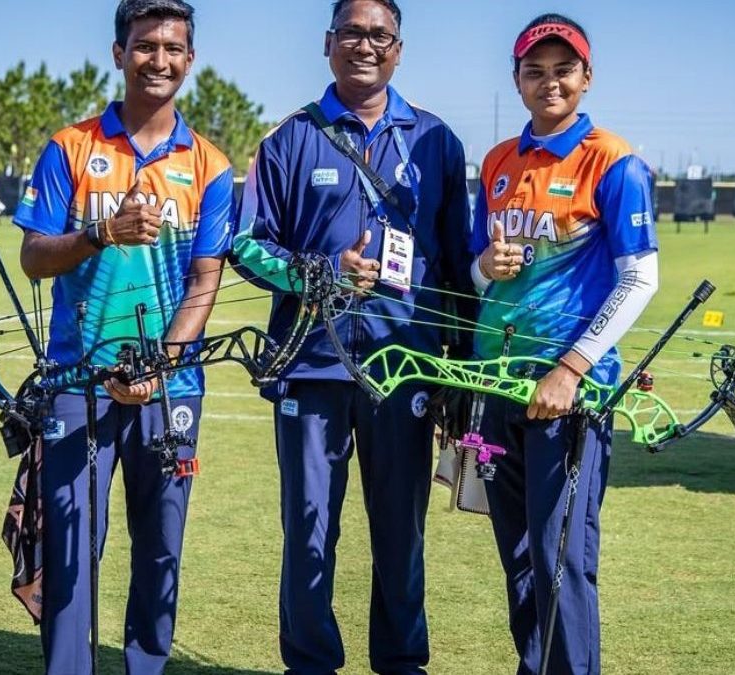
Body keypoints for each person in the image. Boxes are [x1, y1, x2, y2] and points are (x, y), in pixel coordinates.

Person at [232, 1, 472, 672]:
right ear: (327, 43)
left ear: (398, 49)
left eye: (379, 35)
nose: (364, 45)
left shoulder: (436, 141)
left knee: (402, 531)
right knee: (308, 529)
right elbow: (247, 247)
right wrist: (319, 272)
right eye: (351, 33)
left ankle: (401, 662)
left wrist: (460, 372)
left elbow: (458, 267)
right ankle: (310, 663)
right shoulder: (288, 140)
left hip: (406, 371)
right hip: (311, 369)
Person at [12, 1, 232, 673]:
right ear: (118, 53)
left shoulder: (210, 165)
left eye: (172, 48)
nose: (157, 59)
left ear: (189, 60)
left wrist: (159, 366)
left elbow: (205, 279)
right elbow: (33, 256)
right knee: (72, 544)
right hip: (77, 383)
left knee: (161, 548)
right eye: (143, 46)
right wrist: (100, 232)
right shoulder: (70, 147)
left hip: (170, 388)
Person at [469, 14, 659, 674]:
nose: (549, 82)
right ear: (517, 79)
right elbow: (477, 272)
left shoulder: (613, 160)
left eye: (563, 69)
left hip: (567, 395)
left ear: (586, 77)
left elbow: (641, 277)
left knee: (561, 558)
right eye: (534, 70)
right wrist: (484, 268)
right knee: (518, 557)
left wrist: (572, 369)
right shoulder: (496, 162)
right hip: (497, 388)